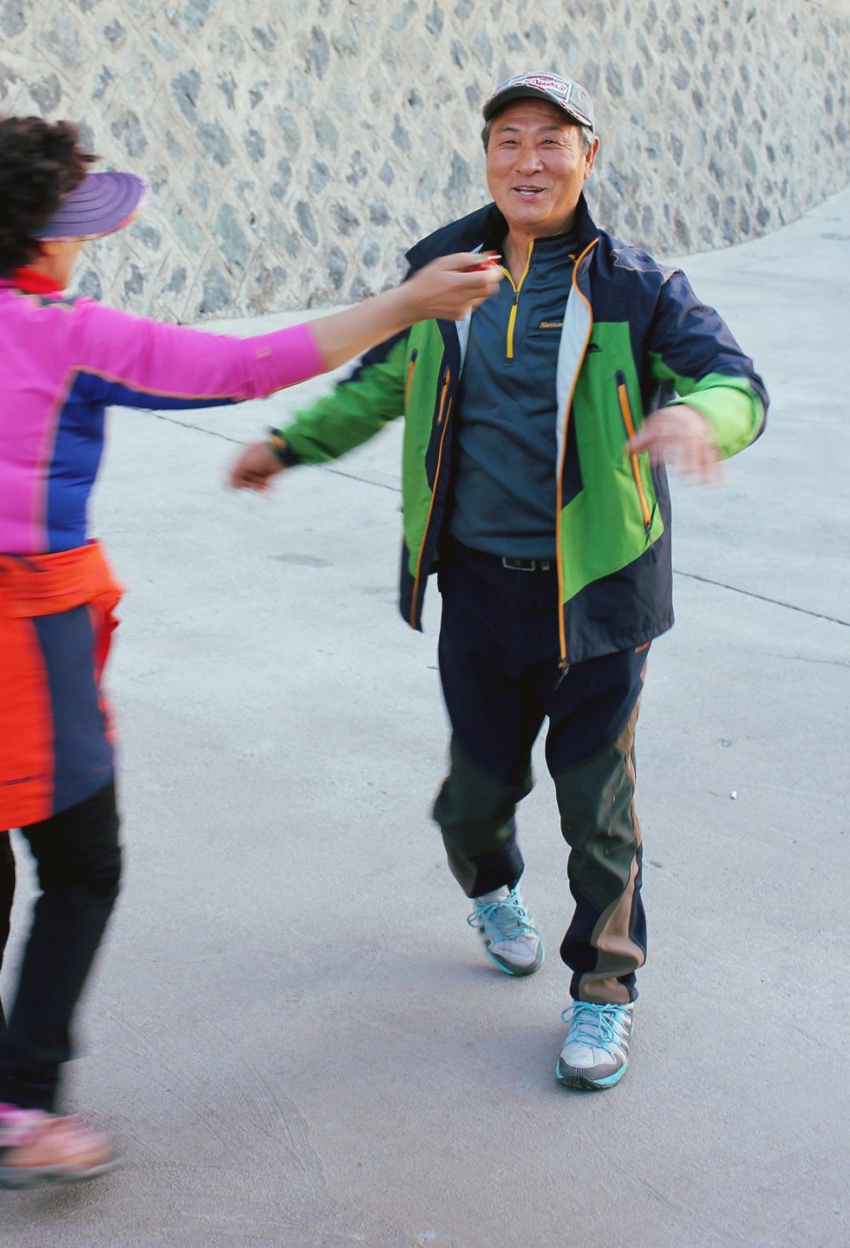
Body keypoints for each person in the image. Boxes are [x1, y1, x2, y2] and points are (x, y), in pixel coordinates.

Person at [0, 110, 500, 1194]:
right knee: (80, 868)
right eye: (76, 224)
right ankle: (20, 1106)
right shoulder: (71, 333)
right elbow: (245, 368)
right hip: (11, 629)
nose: (88, 241)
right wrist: (409, 302)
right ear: (43, 241)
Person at [230, 71, 768, 1092]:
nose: (528, 160)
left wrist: (703, 418)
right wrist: (287, 445)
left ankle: (602, 994)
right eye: (507, 141)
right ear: (486, 158)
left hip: (600, 592)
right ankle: (489, 885)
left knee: (594, 801)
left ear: (587, 158)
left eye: (551, 141)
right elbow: (381, 383)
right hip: (479, 587)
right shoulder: (447, 276)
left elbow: (731, 379)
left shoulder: (635, 289)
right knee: (473, 796)